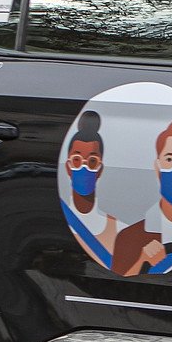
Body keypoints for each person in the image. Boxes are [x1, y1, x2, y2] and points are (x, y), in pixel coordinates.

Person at [113, 117, 172, 276]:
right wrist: (143, 261)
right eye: (169, 159)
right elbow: (116, 283)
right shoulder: (130, 237)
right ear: (158, 168)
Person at [60, 112, 120, 270]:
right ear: (68, 167)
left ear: (100, 169)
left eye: (92, 161)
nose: (84, 167)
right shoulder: (59, 216)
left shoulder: (114, 226)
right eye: (77, 160)